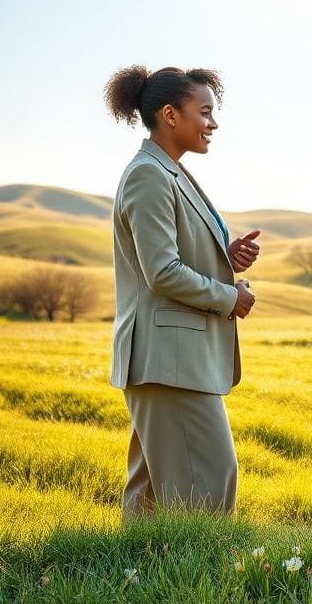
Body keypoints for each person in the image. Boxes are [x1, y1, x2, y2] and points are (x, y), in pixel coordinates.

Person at [104, 65, 261, 519]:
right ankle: (202, 580)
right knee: (209, 483)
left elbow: (169, 256)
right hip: (168, 358)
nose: (213, 123)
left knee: (150, 493)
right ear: (170, 114)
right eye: (205, 112)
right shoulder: (149, 175)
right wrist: (231, 296)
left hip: (168, 358)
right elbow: (162, 272)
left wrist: (222, 258)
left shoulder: (168, 172)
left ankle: (134, 580)